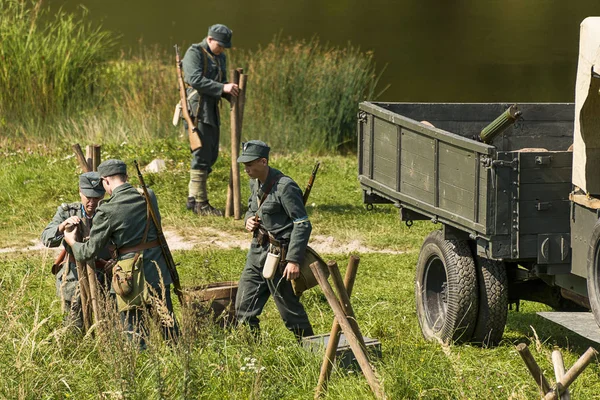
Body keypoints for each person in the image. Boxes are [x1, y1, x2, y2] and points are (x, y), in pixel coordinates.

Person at [63, 159, 178, 343]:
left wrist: (72, 241)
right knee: (169, 328)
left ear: (105, 181)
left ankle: (139, 368)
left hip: (129, 276)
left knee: (134, 334)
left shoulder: (108, 210)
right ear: (126, 177)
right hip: (158, 271)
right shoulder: (148, 195)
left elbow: (87, 252)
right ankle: (181, 361)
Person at [235, 140, 314, 341]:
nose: (246, 169)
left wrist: (294, 260)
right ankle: (251, 354)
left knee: (290, 312)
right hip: (256, 253)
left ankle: (310, 349)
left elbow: (302, 223)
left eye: (250, 164)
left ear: (263, 161)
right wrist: (248, 220)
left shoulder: (285, 187)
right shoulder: (255, 182)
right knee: (244, 307)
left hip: (279, 258)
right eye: (244, 165)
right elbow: (253, 208)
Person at [182, 23, 239, 216]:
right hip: (197, 110)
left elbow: (219, 81)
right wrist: (222, 88)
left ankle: (192, 199)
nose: (222, 49)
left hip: (211, 109)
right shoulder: (195, 52)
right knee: (201, 154)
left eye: (225, 46)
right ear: (210, 39)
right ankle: (201, 203)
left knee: (211, 154)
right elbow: (195, 79)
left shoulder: (220, 56)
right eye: (220, 45)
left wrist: (228, 90)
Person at [41, 172, 110, 330]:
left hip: (104, 274)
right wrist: (62, 227)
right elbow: (46, 238)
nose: (92, 202)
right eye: (88, 197)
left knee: (106, 323)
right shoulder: (68, 211)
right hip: (73, 277)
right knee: (73, 325)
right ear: (80, 192)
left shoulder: (109, 211)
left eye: (97, 198)